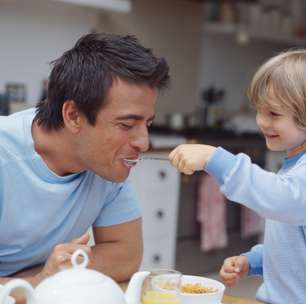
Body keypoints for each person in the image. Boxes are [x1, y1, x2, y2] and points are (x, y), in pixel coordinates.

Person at [0, 32, 169, 299]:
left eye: (146, 124)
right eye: (126, 125)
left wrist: (53, 273)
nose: (143, 143)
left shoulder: (106, 163)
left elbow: (125, 257)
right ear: (73, 115)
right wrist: (39, 280)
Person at [169, 49, 306, 304]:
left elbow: (281, 199)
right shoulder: (293, 167)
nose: (262, 122)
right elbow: (296, 247)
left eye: (274, 114)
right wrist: (253, 261)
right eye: (260, 111)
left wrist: (214, 159)